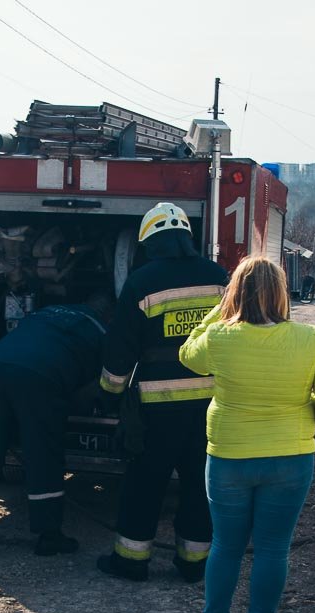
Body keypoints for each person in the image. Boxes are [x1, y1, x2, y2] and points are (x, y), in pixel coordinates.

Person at [179, 256, 315, 613]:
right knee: (274, 548)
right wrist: (309, 413)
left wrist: (219, 312)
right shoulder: (309, 339)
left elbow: (188, 354)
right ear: (280, 292)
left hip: (228, 458)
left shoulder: (220, 337)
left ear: (234, 293)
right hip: (289, 459)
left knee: (225, 545)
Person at [95, 202, 229, 582]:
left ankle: (131, 562)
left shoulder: (141, 281)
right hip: (210, 406)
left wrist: (109, 394)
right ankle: (195, 565)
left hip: (157, 410)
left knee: (145, 485)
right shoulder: (219, 277)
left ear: (149, 242)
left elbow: (121, 348)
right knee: (199, 485)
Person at [0, 293, 113, 556]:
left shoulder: (48, 312)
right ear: (108, 315)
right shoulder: (100, 329)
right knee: (42, 453)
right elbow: (101, 384)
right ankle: (49, 536)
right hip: (40, 378)